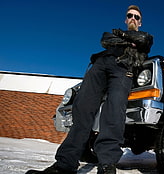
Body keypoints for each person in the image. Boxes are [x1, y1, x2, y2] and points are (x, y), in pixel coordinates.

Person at [26, 5, 153, 174]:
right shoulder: (114, 34)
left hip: (123, 68)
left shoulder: (145, 37)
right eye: (130, 15)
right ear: (125, 19)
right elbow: (105, 39)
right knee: (82, 108)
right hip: (100, 65)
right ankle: (65, 164)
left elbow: (144, 40)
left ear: (140, 22)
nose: (132, 19)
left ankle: (107, 164)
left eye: (136, 17)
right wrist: (127, 39)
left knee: (114, 110)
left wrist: (123, 37)